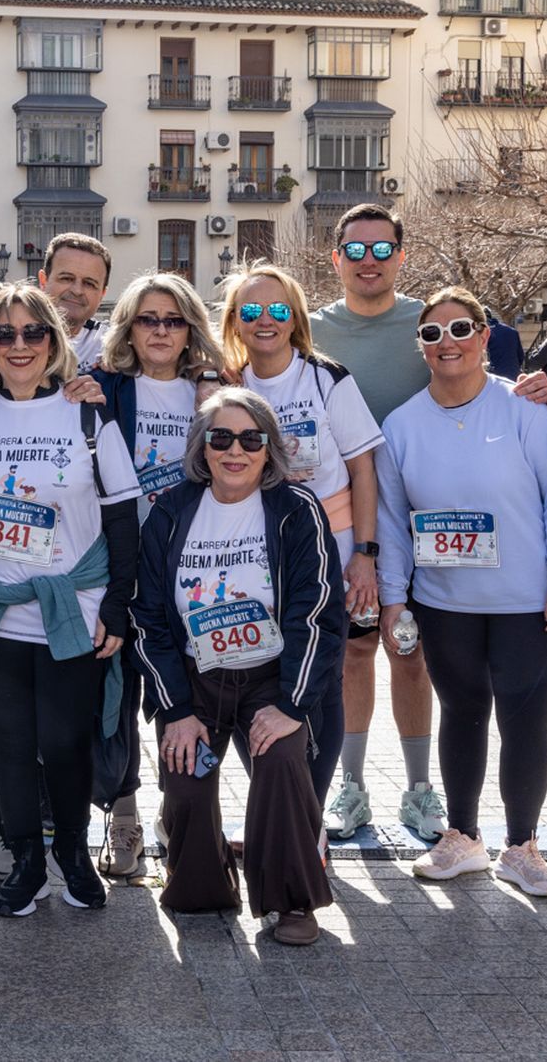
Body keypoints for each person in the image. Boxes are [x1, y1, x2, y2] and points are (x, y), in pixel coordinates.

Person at [0, 283, 140, 917]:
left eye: (32, 333)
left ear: (53, 341)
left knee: (65, 741)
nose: (18, 345)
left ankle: (73, 852)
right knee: (9, 747)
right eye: (4, 334)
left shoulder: (87, 417)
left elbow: (123, 517)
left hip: (70, 615)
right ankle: (26, 858)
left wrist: (117, 607)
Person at [374, 286, 547, 897]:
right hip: (444, 604)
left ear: (484, 338)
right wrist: (394, 598)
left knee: (525, 721)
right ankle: (462, 836)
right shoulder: (402, 424)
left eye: (461, 330)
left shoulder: (524, 410)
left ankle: (523, 846)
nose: (448, 344)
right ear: (420, 346)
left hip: (525, 600)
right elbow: (390, 519)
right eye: (433, 334)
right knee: (462, 714)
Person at [133, 387, 341, 941]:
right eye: (220, 437)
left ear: (270, 449)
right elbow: (147, 615)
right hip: (196, 679)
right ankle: (206, 879)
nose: (236, 451)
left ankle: (291, 899)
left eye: (252, 439)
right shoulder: (171, 513)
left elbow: (316, 612)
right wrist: (174, 709)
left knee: (278, 761)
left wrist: (291, 705)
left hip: (270, 678)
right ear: (202, 448)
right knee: (187, 776)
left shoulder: (297, 512)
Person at [304, 204, 444, 840]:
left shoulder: (429, 324)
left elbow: (477, 379)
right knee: (351, 653)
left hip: (423, 518)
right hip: (343, 524)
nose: (368, 261)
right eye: (355, 250)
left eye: (381, 250)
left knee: (410, 652)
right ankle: (350, 787)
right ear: (335, 259)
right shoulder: (306, 330)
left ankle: (421, 791)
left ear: (400, 257)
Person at [221, 262, 369, 819]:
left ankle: (308, 821)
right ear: (235, 321)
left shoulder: (327, 378)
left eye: (278, 310)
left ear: (296, 319)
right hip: (251, 556)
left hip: (328, 546)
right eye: (251, 311)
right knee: (256, 676)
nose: (265, 321)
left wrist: (367, 555)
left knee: (322, 677)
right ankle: (276, 802)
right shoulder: (227, 385)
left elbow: (365, 469)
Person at [91, 271, 225, 875]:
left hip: (192, 568)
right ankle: (123, 822)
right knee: (117, 700)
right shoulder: (102, 389)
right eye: (149, 319)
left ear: (191, 327)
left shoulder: (214, 394)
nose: (162, 331)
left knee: (185, 700)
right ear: (130, 327)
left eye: (174, 320)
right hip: (120, 565)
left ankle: (185, 828)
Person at [37, 233, 111, 372]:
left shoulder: (114, 348)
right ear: (43, 280)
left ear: (102, 294)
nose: (77, 291)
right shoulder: (6, 340)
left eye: (89, 284)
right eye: (66, 278)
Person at [483, 305, 524, 379]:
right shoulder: (512, 331)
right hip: (514, 376)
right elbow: (520, 356)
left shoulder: (483, 334)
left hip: (494, 378)